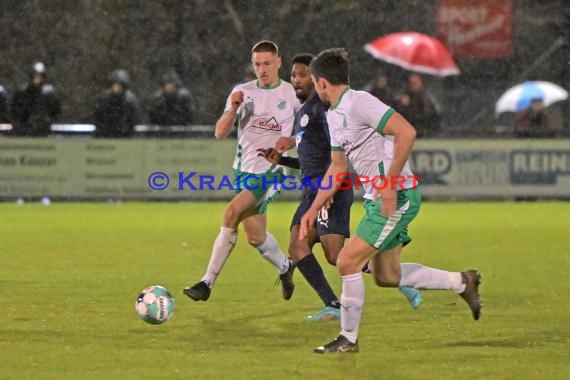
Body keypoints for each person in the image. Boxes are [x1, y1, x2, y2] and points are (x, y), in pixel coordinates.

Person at [300, 48, 482, 353]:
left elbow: (406, 132)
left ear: (320, 83)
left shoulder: (360, 101)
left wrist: (388, 182)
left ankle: (348, 338)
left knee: (347, 261)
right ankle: (462, 282)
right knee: (387, 275)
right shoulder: (334, 116)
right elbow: (338, 167)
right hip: (379, 199)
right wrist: (314, 208)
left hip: (395, 196)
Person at [257, 54, 421, 321]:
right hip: (313, 189)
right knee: (300, 245)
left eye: (302, 75)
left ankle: (395, 281)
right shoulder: (305, 113)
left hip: (326, 189)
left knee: (338, 256)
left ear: (319, 81)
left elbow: (337, 161)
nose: (296, 80)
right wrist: (284, 158)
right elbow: (313, 159)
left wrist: (328, 193)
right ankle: (334, 303)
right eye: (294, 75)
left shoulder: (327, 111)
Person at [183, 40, 298, 302]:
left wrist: (292, 142)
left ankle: (206, 283)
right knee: (255, 238)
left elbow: (309, 129)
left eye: (267, 63)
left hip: (273, 171)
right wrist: (234, 108)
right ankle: (285, 267)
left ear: (278, 63)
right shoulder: (242, 92)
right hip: (244, 171)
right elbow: (220, 133)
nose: (262, 69)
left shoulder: (291, 94)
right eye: (257, 64)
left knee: (231, 212)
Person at [10, 62, 61, 137]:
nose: (37, 78)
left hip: (44, 130)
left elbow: (55, 111)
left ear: (43, 77)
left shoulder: (49, 93)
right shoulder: (22, 92)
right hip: (24, 131)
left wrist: (47, 122)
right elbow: (15, 110)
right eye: (35, 76)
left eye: (39, 76)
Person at [93, 69, 141, 138]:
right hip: (106, 134)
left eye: (119, 85)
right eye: (115, 84)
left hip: (125, 135)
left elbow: (134, 119)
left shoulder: (130, 100)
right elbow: (98, 117)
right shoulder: (104, 98)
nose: (116, 87)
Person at [397, 73, 441, 138]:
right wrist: (402, 104)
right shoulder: (406, 95)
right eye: (411, 83)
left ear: (421, 83)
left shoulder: (426, 98)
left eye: (415, 83)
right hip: (409, 131)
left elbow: (426, 116)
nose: (412, 86)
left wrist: (409, 105)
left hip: (424, 133)